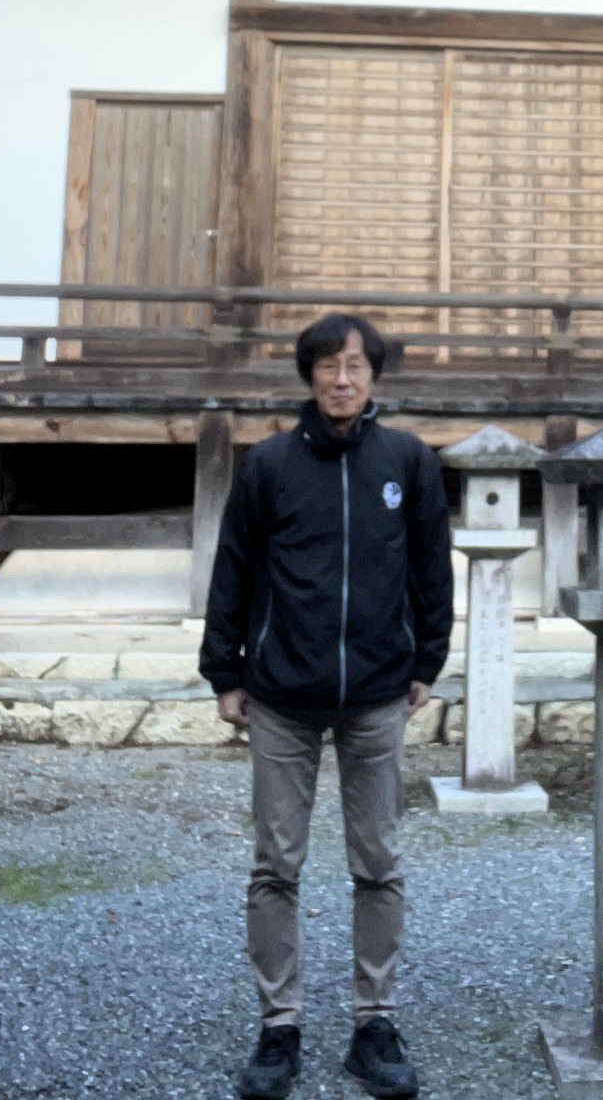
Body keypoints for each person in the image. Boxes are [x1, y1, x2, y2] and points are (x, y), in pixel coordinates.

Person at [200, 311, 454, 1100]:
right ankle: (279, 1027)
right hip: (281, 695)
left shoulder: (407, 460)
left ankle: (374, 1023)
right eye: (328, 367)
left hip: (377, 693)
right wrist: (225, 671)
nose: (343, 380)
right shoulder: (270, 465)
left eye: (356, 367)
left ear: (374, 376)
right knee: (276, 865)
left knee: (379, 864)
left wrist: (428, 658)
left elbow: (430, 566)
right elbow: (234, 568)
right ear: (308, 375)